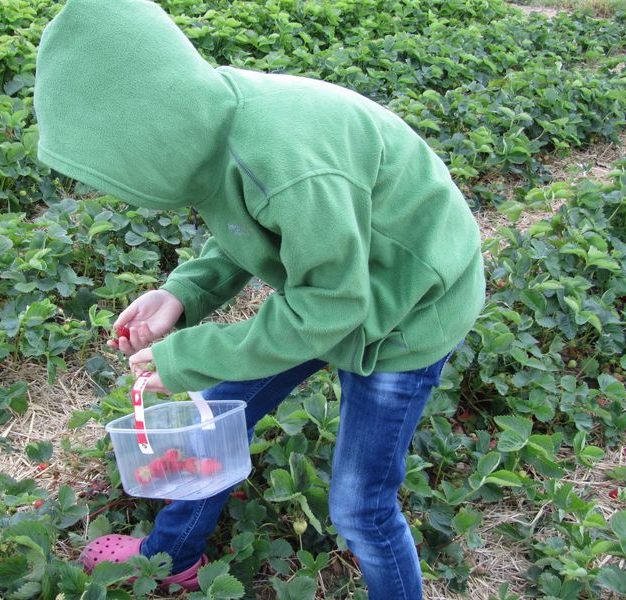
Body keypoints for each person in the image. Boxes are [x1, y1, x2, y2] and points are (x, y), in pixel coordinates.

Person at [33, 0, 486, 597]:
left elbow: (330, 308)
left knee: (360, 508)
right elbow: (251, 228)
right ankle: (171, 558)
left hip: (408, 312)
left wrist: (188, 359)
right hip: (332, 285)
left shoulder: (288, 163)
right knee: (215, 424)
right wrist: (181, 293)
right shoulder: (212, 127)